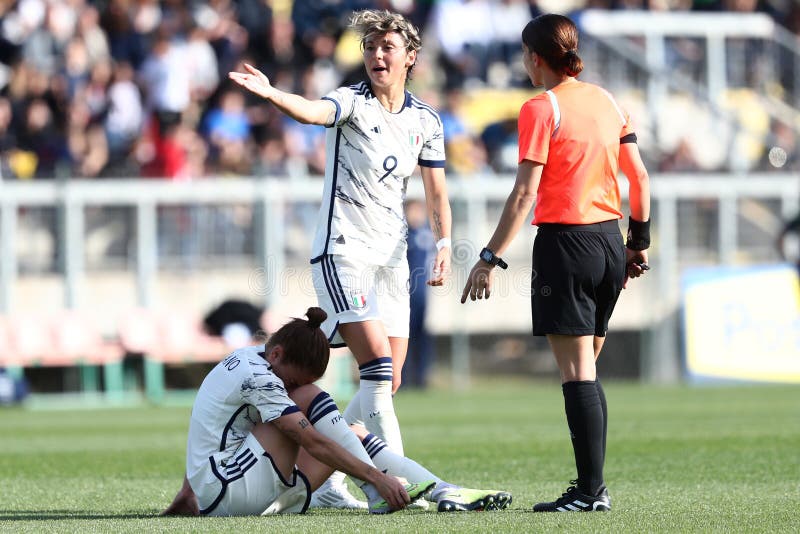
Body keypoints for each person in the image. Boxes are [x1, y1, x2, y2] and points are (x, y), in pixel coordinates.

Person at [229, 8, 453, 508]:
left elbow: (437, 194)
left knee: (388, 379)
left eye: (386, 47)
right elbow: (311, 112)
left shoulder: (425, 120)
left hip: (393, 258)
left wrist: (442, 245)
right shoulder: (352, 101)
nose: (376, 55)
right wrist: (272, 94)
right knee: (374, 366)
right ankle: (393, 486)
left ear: (410, 58)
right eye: (370, 47)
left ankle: (328, 478)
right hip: (343, 250)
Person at [460, 14, 651, 513]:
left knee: (577, 375)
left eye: (525, 55)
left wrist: (489, 258)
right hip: (610, 242)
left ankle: (590, 493)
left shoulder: (540, 108)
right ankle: (592, 488)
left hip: (566, 246)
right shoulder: (608, 101)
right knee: (588, 369)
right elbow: (641, 179)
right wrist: (639, 242)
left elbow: (525, 193)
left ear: (534, 57)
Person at [161, 307, 512, 516]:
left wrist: (188, 493)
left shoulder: (258, 358)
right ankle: (377, 490)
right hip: (228, 491)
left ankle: (443, 489)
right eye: (292, 380)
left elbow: (209, 428)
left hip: (223, 488)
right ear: (278, 354)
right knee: (312, 406)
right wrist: (376, 476)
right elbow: (312, 443)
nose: (289, 387)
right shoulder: (259, 377)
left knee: (351, 434)